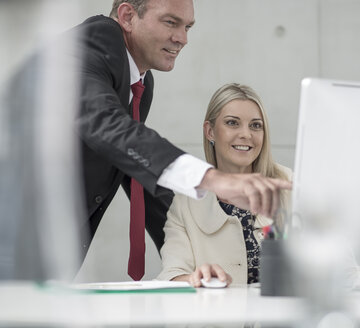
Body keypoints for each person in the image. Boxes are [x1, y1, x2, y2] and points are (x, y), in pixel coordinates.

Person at [6, 0, 290, 281]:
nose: (183, 38)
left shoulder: (141, 83)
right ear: (128, 16)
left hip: (41, 257)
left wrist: (191, 256)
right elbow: (108, 125)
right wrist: (214, 179)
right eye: (171, 22)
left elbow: (136, 169)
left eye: (188, 26)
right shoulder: (94, 42)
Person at [157, 83, 360, 287]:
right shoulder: (186, 201)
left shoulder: (292, 187)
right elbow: (172, 274)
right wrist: (194, 278)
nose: (246, 134)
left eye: (256, 125)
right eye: (232, 123)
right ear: (210, 131)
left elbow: (342, 271)